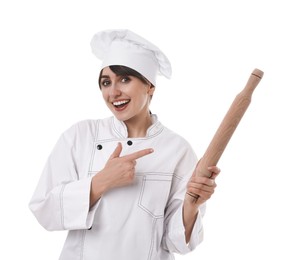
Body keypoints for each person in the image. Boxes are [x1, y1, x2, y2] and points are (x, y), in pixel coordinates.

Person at [29, 29, 220, 260]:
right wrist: (100, 182)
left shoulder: (177, 150)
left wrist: (191, 207)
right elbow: (44, 209)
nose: (113, 92)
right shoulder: (80, 136)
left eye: (125, 79)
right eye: (106, 82)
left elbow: (176, 243)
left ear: (150, 86)